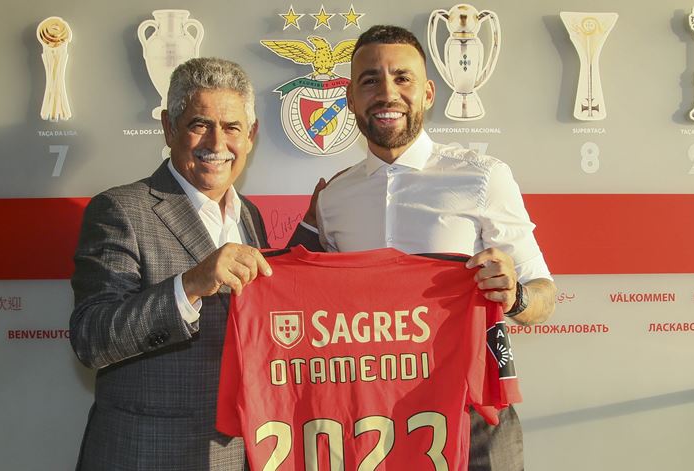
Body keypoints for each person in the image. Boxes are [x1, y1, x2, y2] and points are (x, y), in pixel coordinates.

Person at [289, 25, 557, 471]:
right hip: (369, 420)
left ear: (429, 92)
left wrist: (516, 295)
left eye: (403, 77)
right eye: (370, 79)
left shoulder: (483, 177)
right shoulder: (333, 199)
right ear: (350, 98)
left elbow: (544, 296)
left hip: (474, 415)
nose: (387, 92)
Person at [69, 57, 272, 471]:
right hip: (146, 454)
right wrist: (190, 284)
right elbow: (91, 338)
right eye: (200, 124)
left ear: (250, 136)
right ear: (168, 127)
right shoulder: (121, 209)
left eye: (232, 127)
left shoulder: (250, 216)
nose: (217, 143)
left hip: (236, 455)